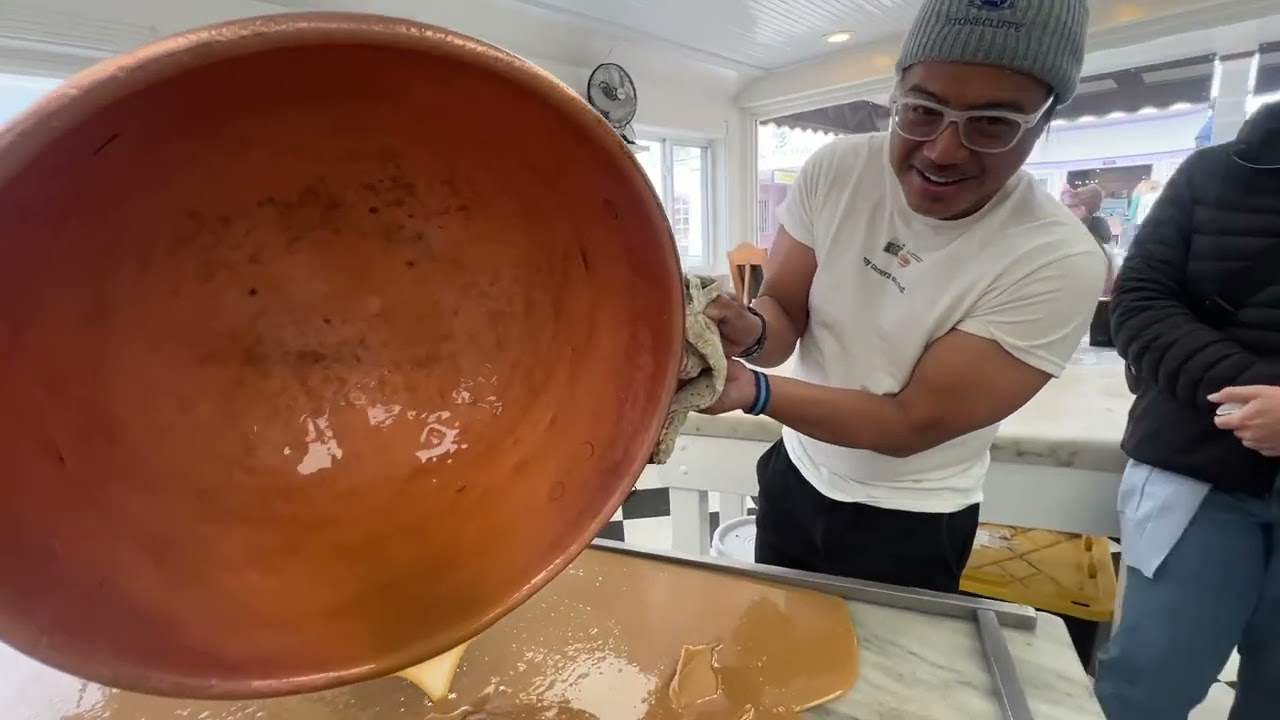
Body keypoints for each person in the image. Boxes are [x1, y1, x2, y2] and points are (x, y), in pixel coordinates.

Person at [699, 0, 1105, 594]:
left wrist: (751, 389)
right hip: (797, 471)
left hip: (911, 514)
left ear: (1043, 123)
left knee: (882, 683)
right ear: (896, 94)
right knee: (773, 648)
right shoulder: (837, 170)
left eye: (991, 122)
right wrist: (751, 330)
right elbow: (783, 313)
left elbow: (908, 422)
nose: (942, 150)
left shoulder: (1056, 259)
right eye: (921, 110)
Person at [1093, 101, 1280, 720]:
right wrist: (1250, 394)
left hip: (1201, 443)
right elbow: (1140, 305)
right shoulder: (1215, 173)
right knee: (1149, 683)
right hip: (1199, 468)